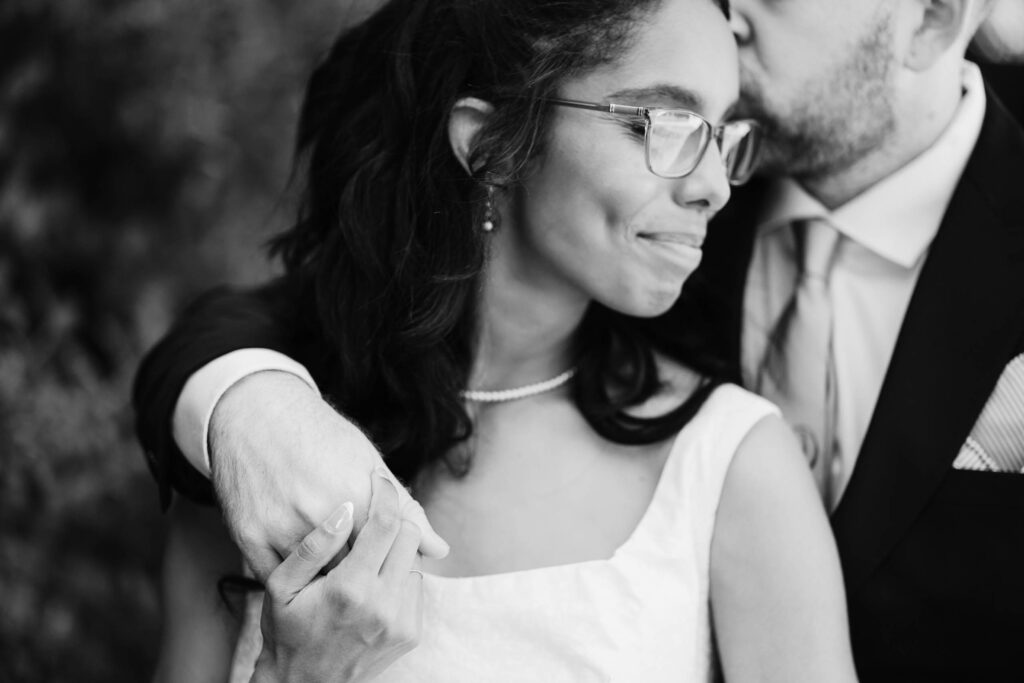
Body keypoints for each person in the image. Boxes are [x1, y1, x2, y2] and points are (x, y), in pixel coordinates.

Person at [135, 0, 1024, 680]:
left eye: (717, 136)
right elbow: (258, 328)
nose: (714, 185)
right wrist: (239, 401)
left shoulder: (727, 446)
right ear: (492, 144)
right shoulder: (275, 459)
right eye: (670, 124)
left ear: (933, 18)